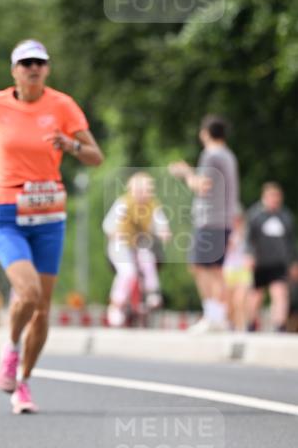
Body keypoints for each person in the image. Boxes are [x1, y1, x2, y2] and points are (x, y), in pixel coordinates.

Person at [0, 39, 103, 414]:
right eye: (26, 63)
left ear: (47, 69)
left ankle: (23, 383)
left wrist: (69, 145)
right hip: (7, 211)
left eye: (39, 63)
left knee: (42, 309)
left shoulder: (63, 105)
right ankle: (10, 348)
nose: (32, 69)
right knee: (27, 293)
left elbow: (95, 156)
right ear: (14, 70)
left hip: (48, 215)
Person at [169, 114, 239, 333]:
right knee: (215, 269)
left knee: (200, 267)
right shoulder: (229, 156)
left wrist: (185, 173)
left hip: (210, 220)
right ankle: (220, 316)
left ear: (205, 133)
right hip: (224, 219)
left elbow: (202, 186)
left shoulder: (211, 155)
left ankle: (212, 316)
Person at [102, 172, 171, 327]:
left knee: (148, 260)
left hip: (140, 244)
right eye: (140, 190)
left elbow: (160, 222)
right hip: (121, 244)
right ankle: (117, 304)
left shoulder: (153, 205)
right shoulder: (123, 203)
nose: (144, 194)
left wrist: (164, 231)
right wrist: (115, 233)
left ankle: (152, 292)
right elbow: (108, 225)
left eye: (147, 190)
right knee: (127, 272)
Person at [245, 183, 296, 332]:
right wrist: (249, 255)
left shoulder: (286, 216)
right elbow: (248, 239)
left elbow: (290, 242)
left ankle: (280, 325)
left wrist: (293, 262)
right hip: (260, 262)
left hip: (279, 262)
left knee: (280, 293)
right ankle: (251, 323)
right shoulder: (255, 214)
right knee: (256, 295)